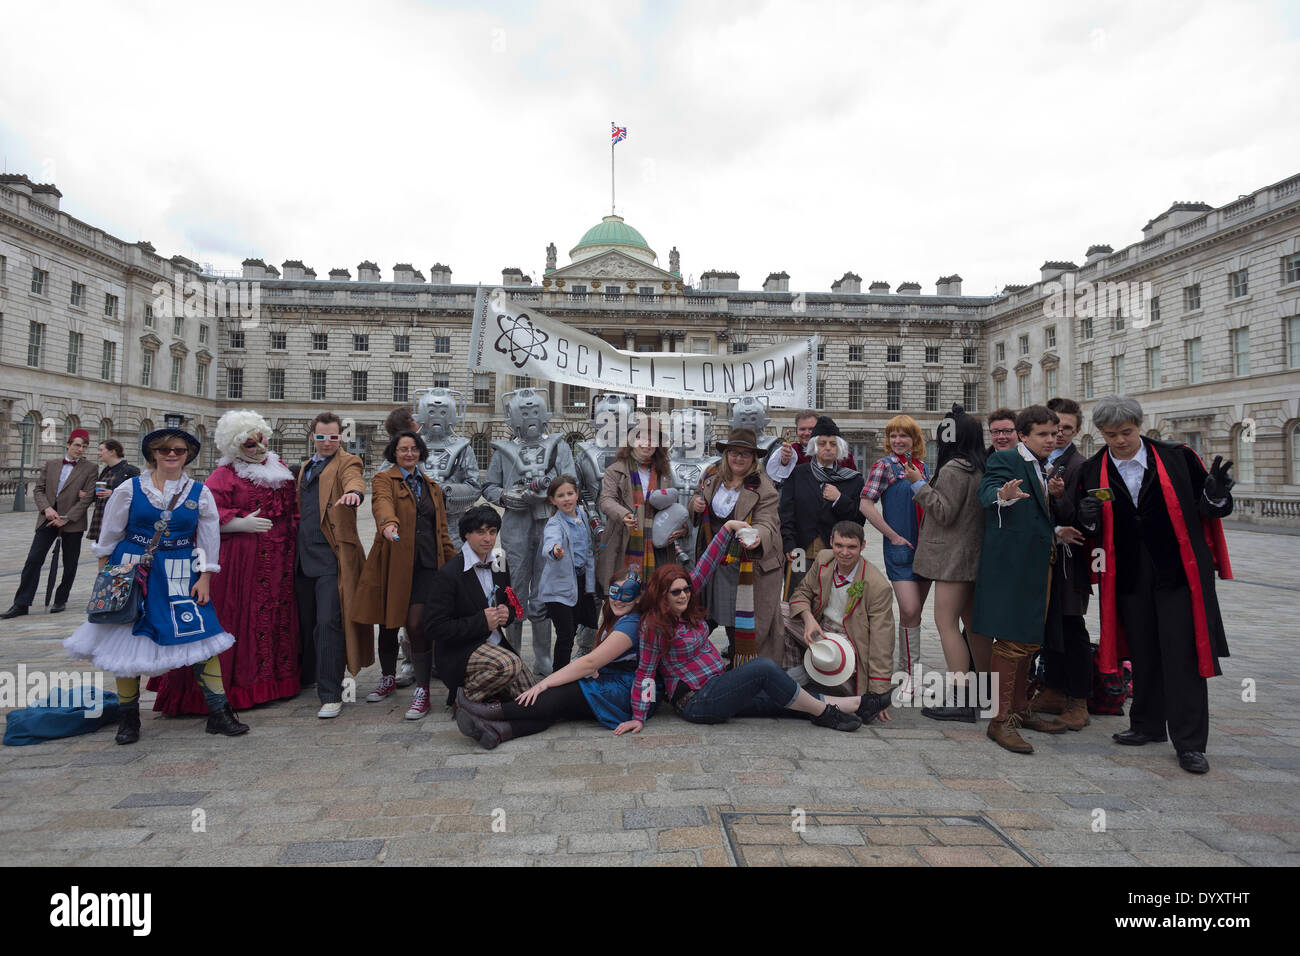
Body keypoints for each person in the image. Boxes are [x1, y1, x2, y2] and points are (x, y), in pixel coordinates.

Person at [1075, 395, 1234, 775]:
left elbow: (1211, 510)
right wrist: (1087, 518)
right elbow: (1089, 529)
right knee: (1143, 650)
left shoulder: (1177, 457)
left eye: (1126, 433)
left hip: (1178, 572)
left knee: (1183, 655)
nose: (1119, 441)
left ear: (1139, 426)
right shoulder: (1093, 468)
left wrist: (1215, 493)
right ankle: (1146, 724)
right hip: (1127, 574)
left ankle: (1190, 743)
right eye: (1110, 434)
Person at [63, 427, 248, 743]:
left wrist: (205, 577)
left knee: (200, 633)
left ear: (187, 454)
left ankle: (219, 712)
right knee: (125, 637)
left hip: (180, 568)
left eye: (178, 449)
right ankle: (129, 719)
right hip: (132, 565)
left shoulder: (199, 492)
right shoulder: (130, 489)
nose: (172, 454)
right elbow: (110, 534)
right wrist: (107, 576)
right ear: (153, 454)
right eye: (165, 450)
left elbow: (208, 537)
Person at [616, 522, 871, 735]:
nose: (683, 595)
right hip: (696, 701)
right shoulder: (654, 626)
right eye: (676, 592)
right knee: (763, 668)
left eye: (686, 590)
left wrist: (727, 529)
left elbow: (706, 566)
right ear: (662, 595)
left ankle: (858, 704)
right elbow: (645, 672)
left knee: (777, 696)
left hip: (717, 684)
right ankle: (826, 714)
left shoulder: (683, 603)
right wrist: (639, 716)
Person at [147, 410, 301, 715]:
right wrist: (237, 524)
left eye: (261, 441)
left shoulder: (280, 469)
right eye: (250, 444)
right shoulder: (224, 475)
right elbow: (204, 517)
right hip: (240, 563)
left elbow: (293, 510)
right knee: (238, 619)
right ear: (235, 445)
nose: (259, 448)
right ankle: (228, 690)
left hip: (278, 563)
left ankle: (272, 684)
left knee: (271, 620)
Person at [454, 568, 656, 748]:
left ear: (638, 598)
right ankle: (497, 731)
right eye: (614, 591)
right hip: (614, 683)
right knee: (556, 709)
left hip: (626, 692)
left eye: (627, 594)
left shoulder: (631, 623)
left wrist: (544, 684)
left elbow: (589, 663)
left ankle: (486, 712)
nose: (618, 599)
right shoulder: (618, 617)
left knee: (557, 695)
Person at [972, 405, 1069, 753]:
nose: (1051, 439)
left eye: (1054, 433)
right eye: (1042, 434)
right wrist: (1003, 495)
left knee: (1028, 640)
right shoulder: (1007, 460)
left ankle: (1020, 709)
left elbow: (1035, 517)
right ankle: (1000, 720)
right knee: (1011, 641)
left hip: (1037, 564)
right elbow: (987, 494)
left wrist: (1057, 528)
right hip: (1011, 568)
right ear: (1023, 435)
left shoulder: (1042, 466)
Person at [353, 430, 457, 720]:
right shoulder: (384, 479)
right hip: (393, 562)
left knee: (416, 624)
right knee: (388, 622)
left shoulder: (432, 486)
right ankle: (387, 676)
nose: (409, 454)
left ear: (420, 452)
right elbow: (381, 504)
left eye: (413, 449)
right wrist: (388, 524)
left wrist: (456, 563)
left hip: (426, 565)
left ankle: (422, 690)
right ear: (394, 453)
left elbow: (442, 531)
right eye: (403, 449)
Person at [482, 387, 575, 676]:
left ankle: (543, 656)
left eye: (535, 411)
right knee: (515, 589)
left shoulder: (560, 446)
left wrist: (550, 491)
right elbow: (488, 486)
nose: (530, 418)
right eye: (524, 413)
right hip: (516, 524)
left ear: (544, 415)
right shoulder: (502, 451)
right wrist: (506, 497)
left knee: (545, 589)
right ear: (512, 418)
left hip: (551, 522)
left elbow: (572, 480)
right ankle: (513, 654)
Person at [909, 404, 992, 722]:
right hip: (974, 556)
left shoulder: (954, 469)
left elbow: (943, 511)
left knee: (946, 625)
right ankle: (986, 694)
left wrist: (919, 484)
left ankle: (962, 698)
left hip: (953, 560)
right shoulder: (980, 465)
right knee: (975, 628)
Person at [295, 412, 371, 719]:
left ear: (341, 437)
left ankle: (331, 693)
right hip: (302, 557)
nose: (328, 442)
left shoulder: (347, 461)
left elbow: (354, 481)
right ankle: (307, 677)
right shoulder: (305, 467)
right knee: (306, 622)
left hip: (332, 557)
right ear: (312, 436)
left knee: (329, 622)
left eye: (334, 437)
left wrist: (354, 494)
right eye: (322, 436)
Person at [689, 427, 784, 666]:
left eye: (745, 454)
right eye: (733, 452)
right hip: (713, 562)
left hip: (746, 565)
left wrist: (756, 535)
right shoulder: (712, 478)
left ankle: (740, 668)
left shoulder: (763, 486)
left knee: (739, 623)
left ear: (753, 458)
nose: (738, 458)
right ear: (726, 454)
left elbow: (768, 521)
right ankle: (688, 659)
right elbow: (696, 504)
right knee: (703, 615)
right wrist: (695, 506)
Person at [425, 505, 535, 708]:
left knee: (530, 696)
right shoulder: (449, 573)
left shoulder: (499, 561)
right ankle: (463, 699)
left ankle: (492, 699)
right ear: (466, 534)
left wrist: (507, 614)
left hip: (495, 644)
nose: (488, 539)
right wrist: (480, 622)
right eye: (481, 532)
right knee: (509, 665)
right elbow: (434, 627)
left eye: (492, 532)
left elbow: (509, 603)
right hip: (460, 651)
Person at [788, 520, 895, 722]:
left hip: (850, 645)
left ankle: (830, 681)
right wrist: (808, 618)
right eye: (839, 545)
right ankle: (797, 672)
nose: (844, 552)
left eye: (852, 547)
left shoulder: (878, 586)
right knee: (781, 611)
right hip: (820, 628)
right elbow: (801, 592)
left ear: (863, 546)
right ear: (831, 542)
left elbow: (883, 642)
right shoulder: (823, 559)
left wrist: (878, 695)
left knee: (859, 704)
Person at [1030, 397, 1093, 730]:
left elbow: (1082, 517)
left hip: (1069, 563)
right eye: (1055, 429)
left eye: (1067, 429)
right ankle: (1053, 688)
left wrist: (1058, 497)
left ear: (1077, 430)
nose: (1059, 435)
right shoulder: (1039, 459)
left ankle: (1078, 698)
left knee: (1072, 628)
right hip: (1042, 559)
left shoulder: (1081, 465)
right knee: (1049, 627)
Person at [859, 414, 931, 702]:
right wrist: (891, 535)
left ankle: (908, 675)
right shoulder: (884, 465)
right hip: (900, 549)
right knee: (910, 610)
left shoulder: (923, 468)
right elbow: (865, 504)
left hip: (926, 550)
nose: (898, 441)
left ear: (915, 439)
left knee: (913, 616)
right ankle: (908, 676)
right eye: (893, 436)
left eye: (904, 435)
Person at [3, 428, 98, 618]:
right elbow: (39, 489)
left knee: (69, 563)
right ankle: (21, 603)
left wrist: (67, 517)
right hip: (47, 519)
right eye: (77, 445)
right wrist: (46, 509)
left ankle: (60, 599)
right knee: (33, 560)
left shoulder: (91, 468)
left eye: (84, 447)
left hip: (72, 522)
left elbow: (86, 499)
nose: (80, 449)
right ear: (68, 444)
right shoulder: (51, 464)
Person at [596, 413, 680, 592]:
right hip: (623, 541)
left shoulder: (664, 473)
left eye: (653, 440)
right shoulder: (615, 470)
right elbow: (606, 500)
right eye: (642, 437)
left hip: (657, 546)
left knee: (654, 596)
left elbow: (673, 506)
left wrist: (679, 529)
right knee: (623, 594)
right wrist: (623, 514)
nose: (647, 444)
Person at [779, 416, 865, 590]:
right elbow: (786, 512)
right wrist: (788, 544)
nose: (827, 448)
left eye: (832, 444)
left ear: (839, 448)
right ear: (814, 447)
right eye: (822, 443)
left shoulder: (853, 480)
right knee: (797, 595)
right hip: (800, 552)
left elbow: (859, 519)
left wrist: (840, 499)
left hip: (837, 553)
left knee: (831, 600)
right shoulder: (797, 474)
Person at [538, 475, 597, 672]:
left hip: (578, 582)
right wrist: (555, 550)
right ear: (552, 500)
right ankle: (559, 675)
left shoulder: (583, 516)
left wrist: (590, 585)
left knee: (573, 631)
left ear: (577, 494)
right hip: (558, 587)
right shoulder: (555, 523)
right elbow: (550, 542)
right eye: (560, 495)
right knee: (565, 633)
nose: (566, 499)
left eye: (570, 493)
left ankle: (567, 672)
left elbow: (589, 549)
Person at [766, 409, 858, 484]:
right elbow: (780, 480)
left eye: (811, 429)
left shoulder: (843, 455)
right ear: (797, 431)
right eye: (802, 429)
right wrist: (784, 462)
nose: (806, 433)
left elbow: (853, 483)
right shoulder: (793, 451)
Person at [88, 439, 140, 545]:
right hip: (101, 516)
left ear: (112, 452)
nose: (98, 453)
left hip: (117, 520)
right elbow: (98, 493)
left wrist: (112, 493)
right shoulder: (106, 470)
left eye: (101, 450)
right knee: (101, 551)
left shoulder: (131, 470)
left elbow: (137, 496)